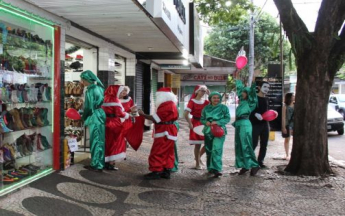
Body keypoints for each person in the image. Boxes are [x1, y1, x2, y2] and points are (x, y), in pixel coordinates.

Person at [138, 87, 179, 180]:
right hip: (170, 130)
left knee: (158, 151)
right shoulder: (173, 104)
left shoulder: (165, 105)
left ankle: (156, 170)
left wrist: (142, 114)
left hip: (164, 131)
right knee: (168, 151)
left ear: (162, 96)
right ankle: (166, 170)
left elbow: (156, 118)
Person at [233, 79, 260, 176]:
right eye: (243, 92)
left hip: (245, 124)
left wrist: (253, 85)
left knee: (246, 145)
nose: (242, 93)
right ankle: (245, 165)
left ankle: (254, 164)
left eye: (245, 92)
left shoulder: (250, 102)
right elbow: (239, 90)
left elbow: (253, 95)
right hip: (239, 124)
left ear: (248, 94)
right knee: (239, 145)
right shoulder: (241, 103)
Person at [80, 70, 106, 172]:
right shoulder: (99, 88)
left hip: (94, 116)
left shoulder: (90, 90)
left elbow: (88, 107)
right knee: (100, 140)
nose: (81, 81)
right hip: (100, 114)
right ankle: (99, 162)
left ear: (86, 79)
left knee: (95, 140)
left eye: (82, 79)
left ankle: (96, 164)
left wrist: (83, 117)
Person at [200, 92, 230, 177]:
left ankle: (216, 169)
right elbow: (202, 119)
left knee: (217, 149)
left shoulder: (224, 108)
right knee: (209, 149)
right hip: (208, 131)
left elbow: (227, 118)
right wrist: (206, 122)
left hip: (220, 131)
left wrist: (217, 122)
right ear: (210, 99)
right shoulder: (206, 108)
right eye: (214, 98)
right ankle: (210, 168)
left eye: (218, 98)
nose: (216, 99)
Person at [102, 85, 130, 170]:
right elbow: (120, 113)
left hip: (105, 122)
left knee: (107, 143)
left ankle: (105, 162)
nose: (122, 94)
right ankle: (111, 163)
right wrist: (128, 115)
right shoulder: (115, 100)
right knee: (115, 143)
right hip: (114, 124)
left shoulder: (105, 98)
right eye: (121, 92)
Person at [184, 85, 209, 169]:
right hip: (195, 123)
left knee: (207, 143)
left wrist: (210, 94)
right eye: (201, 90)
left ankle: (198, 157)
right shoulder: (192, 101)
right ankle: (197, 163)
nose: (203, 92)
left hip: (204, 123)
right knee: (198, 144)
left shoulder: (206, 102)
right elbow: (185, 114)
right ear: (197, 91)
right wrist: (190, 123)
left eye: (204, 91)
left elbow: (215, 105)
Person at [250, 81, 270, 168]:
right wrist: (255, 114)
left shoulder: (266, 99)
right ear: (259, 87)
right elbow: (250, 110)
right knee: (253, 143)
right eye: (265, 87)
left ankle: (260, 161)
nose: (267, 89)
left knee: (264, 143)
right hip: (255, 124)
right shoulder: (254, 98)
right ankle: (250, 161)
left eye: (268, 88)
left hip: (265, 124)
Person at [281, 92, 295, 160]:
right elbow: (283, 117)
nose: (294, 97)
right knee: (287, 139)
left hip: (295, 124)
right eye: (292, 96)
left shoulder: (296, 105)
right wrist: (283, 127)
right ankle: (287, 154)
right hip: (288, 124)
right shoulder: (285, 106)